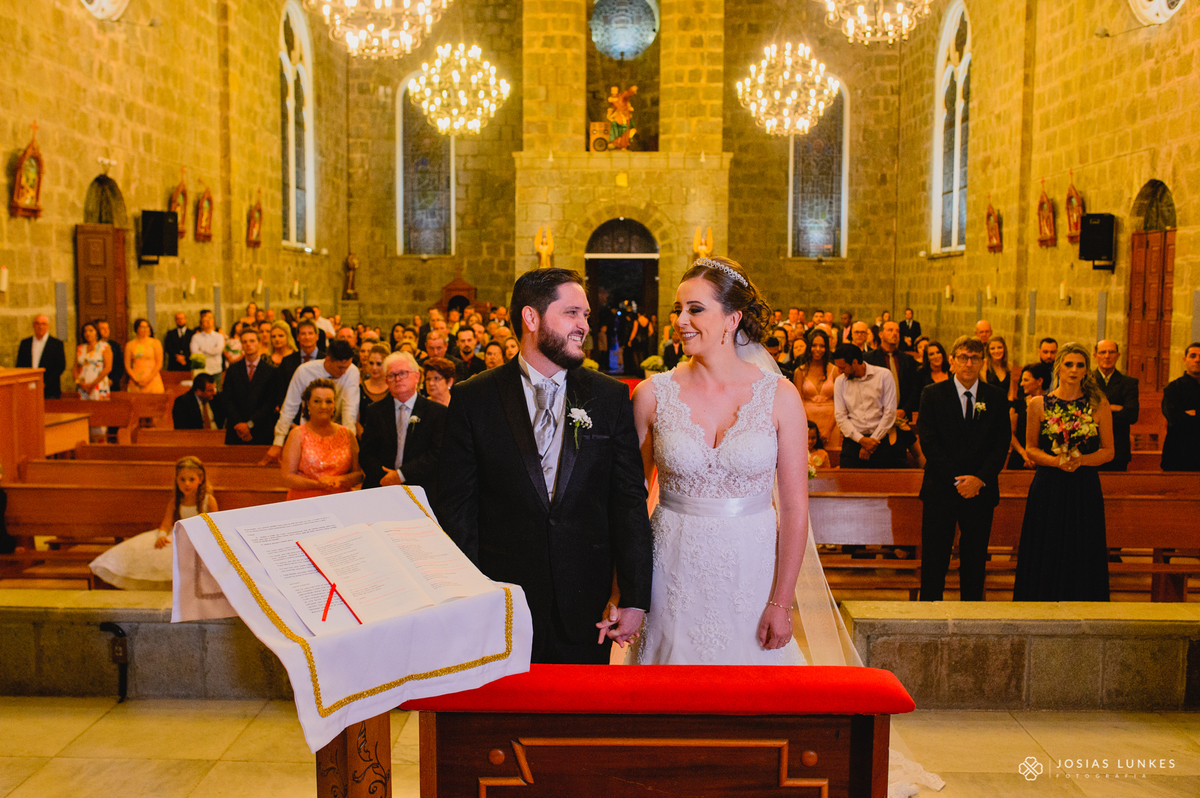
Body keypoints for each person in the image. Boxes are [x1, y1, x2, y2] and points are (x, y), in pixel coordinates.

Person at [435, 267, 653, 664]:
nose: (583, 325)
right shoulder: (474, 399)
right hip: (501, 603)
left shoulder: (608, 397)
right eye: (572, 313)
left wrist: (636, 596)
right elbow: (457, 511)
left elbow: (628, 502)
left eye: (585, 315)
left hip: (585, 604)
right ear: (531, 318)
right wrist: (466, 599)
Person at [627, 255, 809, 665]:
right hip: (671, 569)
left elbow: (796, 510)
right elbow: (630, 503)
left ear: (732, 319)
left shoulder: (779, 396)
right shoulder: (651, 395)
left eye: (695, 309)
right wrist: (629, 592)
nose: (681, 321)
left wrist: (781, 603)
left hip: (751, 571)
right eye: (678, 310)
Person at [1014, 343, 1114, 601]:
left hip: (1084, 483)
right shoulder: (1038, 403)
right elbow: (1031, 449)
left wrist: (1081, 460)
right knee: (1047, 543)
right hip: (1049, 483)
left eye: (1080, 365)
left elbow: (1109, 451)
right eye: (1069, 364)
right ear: (1058, 367)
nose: (1074, 370)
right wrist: (1055, 461)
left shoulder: (1097, 403)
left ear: (1086, 370)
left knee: (1082, 544)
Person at [916, 336, 1012, 601]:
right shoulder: (933, 394)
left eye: (975, 358)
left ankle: (972, 615)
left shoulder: (995, 396)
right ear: (953, 360)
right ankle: (928, 616)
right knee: (935, 558)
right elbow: (929, 441)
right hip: (941, 488)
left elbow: (1001, 443)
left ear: (982, 362)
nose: (969, 364)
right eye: (963, 357)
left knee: (975, 558)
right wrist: (958, 480)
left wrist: (979, 479)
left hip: (980, 491)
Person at [89, 457, 217, 590]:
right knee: (148, 550)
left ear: (200, 480)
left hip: (200, 538)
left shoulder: (208, 500)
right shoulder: (175, 501)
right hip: (179, 534)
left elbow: (214, 525)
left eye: (192, 479)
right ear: (176, 480)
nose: (187, 484)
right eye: (182, 479)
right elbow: (166, 523)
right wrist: (161, 536)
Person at [360, 352, 447, 501]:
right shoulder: (375, 411)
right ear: (386, 381)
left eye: (403, 373)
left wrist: (400, 475)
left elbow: (436, 453)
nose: (398, 379)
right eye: (392, 375)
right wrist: (385, 478)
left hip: (421, 488)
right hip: (381, 486)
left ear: (417, 377)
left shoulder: (437, 412)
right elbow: (366, 454)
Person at [268, 339, 360, 462]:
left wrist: (349, 442)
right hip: (308, 434)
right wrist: (278, 442)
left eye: (347, 368)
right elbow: (289, 408)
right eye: (340, 368)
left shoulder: (352, 371)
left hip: (337, 434)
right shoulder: (304, 371)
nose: (344, 372)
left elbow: (350, 410)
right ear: (328, 360)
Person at [281, 379, 363, 501]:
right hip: (304, 500)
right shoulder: (297, 434)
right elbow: (287, 477)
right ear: (308, 404)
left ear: (334, 404)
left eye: (328, 401)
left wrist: (339, 480)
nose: (323, 406)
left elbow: (359, 474)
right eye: (317, 401)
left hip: (341, 500)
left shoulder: (347, 434)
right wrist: (319, 484)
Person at [832, 343, 901, 468]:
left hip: (880, 440)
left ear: (854, 362)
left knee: (882, 484)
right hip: (853, 441)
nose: (839, 371)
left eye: (842, 367)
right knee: (848, 484)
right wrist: (862, 440)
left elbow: (890, 412)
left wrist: (872, 441)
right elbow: (840, 416)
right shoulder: (840, 382)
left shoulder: (884, 376)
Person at [220, 328, 279, 445]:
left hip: (261, 429)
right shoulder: (233, 369)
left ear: (259, 343)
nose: (248, 345)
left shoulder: (270, 371)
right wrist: (240, 424)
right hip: (236, 429)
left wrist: (250, 424)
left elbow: (270, 402)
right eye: (244, 342)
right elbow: (226, 399)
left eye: (252, 341)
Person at [1093, 340, 1139, 472]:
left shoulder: (1129, 383)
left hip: (1118, 448)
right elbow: (1083, 414)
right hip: (1090, 448)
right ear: (1095, 356)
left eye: (1111, 352)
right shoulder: (1086, 380)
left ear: (1118, 356)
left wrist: (1098, 413)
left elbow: (1131, 415)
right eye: (1103, 352)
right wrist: (1112, 408)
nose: (1107, 356)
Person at [794, 329, 839, 451]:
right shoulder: (800, 371)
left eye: (822, 346)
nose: (818, 349)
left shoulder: (835, 371)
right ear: (809, 347)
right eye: (814, 345)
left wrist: (829, 430)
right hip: (808, 422)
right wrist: (810, 428)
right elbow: (799, 402)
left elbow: (840, 403)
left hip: (832, 423)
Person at [866, 321, 918, 418]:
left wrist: (904, 410)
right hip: (876, 415)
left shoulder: (907, 359)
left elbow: (914, 388)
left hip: (902, 415)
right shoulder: (869, 358)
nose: (895, 333)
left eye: (897, 331)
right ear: (880, 334)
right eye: (890, 330)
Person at [1161, 343, 1200, 471]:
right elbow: (1174, 419)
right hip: (1178, 454)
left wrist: (1193, 414)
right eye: (1193, 356)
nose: (1197, 360)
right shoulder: (1173, 388)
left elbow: (1181, 419)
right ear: (1185, 360)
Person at [1007, 363, 1050, 470]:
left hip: (1045, 459)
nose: (1021, 384)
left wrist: (1038, 456)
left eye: (1026, 380)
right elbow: (1009, 432)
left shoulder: (1052, 404)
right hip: (1019, 457)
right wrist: (1024, 454)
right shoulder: (1018, 404)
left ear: (1039, 381)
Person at [16, 314, 66, 398]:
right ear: (33, 326)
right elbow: (19, 365)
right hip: (27, 388)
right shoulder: (25, 343)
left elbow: (60, 366)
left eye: (43, 324)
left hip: (49, 390)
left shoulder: (56, 344)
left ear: (48, 326)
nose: (40, 327)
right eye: (37, 323)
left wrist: (45, 383)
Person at [74, 321, 112, 401]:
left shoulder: (104, 347)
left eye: (90, 330)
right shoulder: (80, 348)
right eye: (85, 331)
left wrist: (93, 384)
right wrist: (79, 383)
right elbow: (75, 368)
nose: (87, 333)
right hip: (83, 386)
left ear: (96, 332)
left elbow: (108, 368)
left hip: (98, 384)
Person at [124, 318, 164, 393]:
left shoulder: (155, 343)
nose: (145, 329)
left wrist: (148, 379)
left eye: (147, 327)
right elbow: (127, 365)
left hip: (152, 378)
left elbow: (159, 363)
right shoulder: (130, 345)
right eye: (142, 327)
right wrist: (136, 379)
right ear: (137, 329)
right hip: (136, 378)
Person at [190, 310, 225, 376]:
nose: (208, 322)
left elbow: (218, 350)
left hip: (215, 369)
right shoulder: (196, 337)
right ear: (201, 324)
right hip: (201, 370)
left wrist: (202, 349)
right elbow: (195, 352)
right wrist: (212, 349)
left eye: (210, 319)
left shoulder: (219, 336)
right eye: (205, 321)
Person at [359, 343, 391, 415]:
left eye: (379, 364)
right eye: (371, 363)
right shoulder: (360, 388)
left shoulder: (393, 389)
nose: (374, 367)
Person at [96, 320, 124, 391]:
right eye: (102, 328)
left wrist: (113, 380)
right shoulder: (91, 346)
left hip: (112, 384)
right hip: (94, 381)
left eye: (107, 328)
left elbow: (120, 365)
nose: (106, 330)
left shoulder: (115, 345)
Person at [983, 335, 1013, 401]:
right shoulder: (984, 364)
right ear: (988, 351)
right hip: (989, 402)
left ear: (1004, 349)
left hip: (1005, 404)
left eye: (999, 347)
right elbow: (983, 389)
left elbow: (1011, 392)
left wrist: (1011, 408)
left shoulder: (1009, 365)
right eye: (992, 348)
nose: (996, 351)